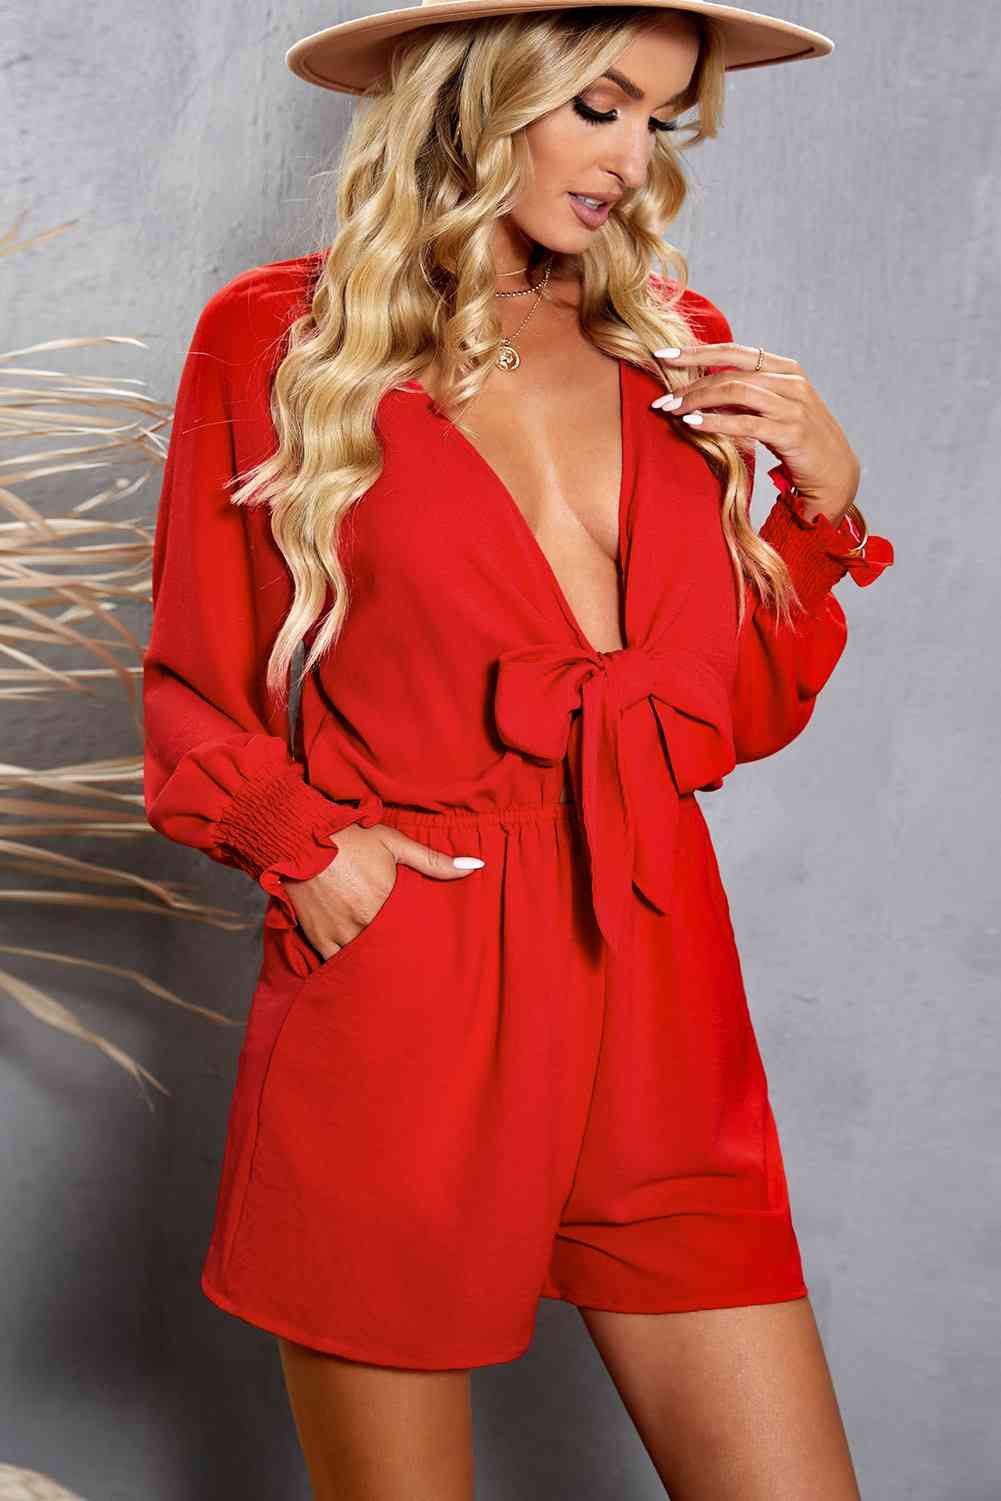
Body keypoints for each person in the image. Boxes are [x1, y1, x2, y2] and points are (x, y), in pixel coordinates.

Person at [142, 2, 894, 1496]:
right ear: (476, 97)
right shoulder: (280, 339)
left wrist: (819, 504)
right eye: (599, 107)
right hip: (416, 982)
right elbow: (191, 686)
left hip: (660, 970)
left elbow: (726, 717)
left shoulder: (673, 347)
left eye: (659, 121)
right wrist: (313, 852)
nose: (631, 158)